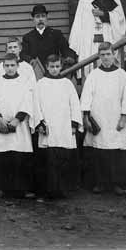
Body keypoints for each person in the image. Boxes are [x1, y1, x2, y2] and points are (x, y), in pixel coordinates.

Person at [80, 42, 126, 195]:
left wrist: (124, 117)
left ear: (114, 55)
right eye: (102, 55)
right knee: (100, 151)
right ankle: (101, 183)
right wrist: (86, 117)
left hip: (116, 117)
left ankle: (116, 183)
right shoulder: (94, 75)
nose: (105, 58)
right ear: (99, 57)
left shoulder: (121, 75)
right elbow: (86, 97)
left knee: (116, 150)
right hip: (98, 118)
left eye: (108, 54)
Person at [0, 54, 40, 199]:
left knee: (20, 157)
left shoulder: (24, 82)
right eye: (7, 65)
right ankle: (0, 188)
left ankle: (23, 189)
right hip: (1, 124)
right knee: (1, 157)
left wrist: (18, 119)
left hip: (20, 125)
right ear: (3, 66)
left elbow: (27, 101)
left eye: (12, 65)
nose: (10, 68)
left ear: (17, 66)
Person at [35, 55, 82, 199]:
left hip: (63, 127)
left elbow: (74, 104)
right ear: (47, 67)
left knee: (63, 160)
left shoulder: (67, 84)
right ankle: (49, 191)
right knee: (48, 160)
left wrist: (74, 124)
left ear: (61, 67)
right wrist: (40, 122)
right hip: (48, 127)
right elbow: (36, 104)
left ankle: (62, 190)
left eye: (57, 66)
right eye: (51, 67)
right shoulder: (41, 84)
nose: (54, 69)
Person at [68, 0, 126, 78]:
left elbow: (120, 18)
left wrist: (104, 14)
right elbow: (78, 23)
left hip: (107, 35)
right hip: (89, 39)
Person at [21, 4, 77, 75]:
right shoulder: (28, 37)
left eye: (43, 16)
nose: (40, 19)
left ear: (47, 18)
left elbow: (65, 49)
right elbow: (23, 54)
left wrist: (69, 57)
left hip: (54, 70)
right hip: (36, 73)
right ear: (33, 19)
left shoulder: (56, 34)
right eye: (37, 17)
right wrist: (31, 60)